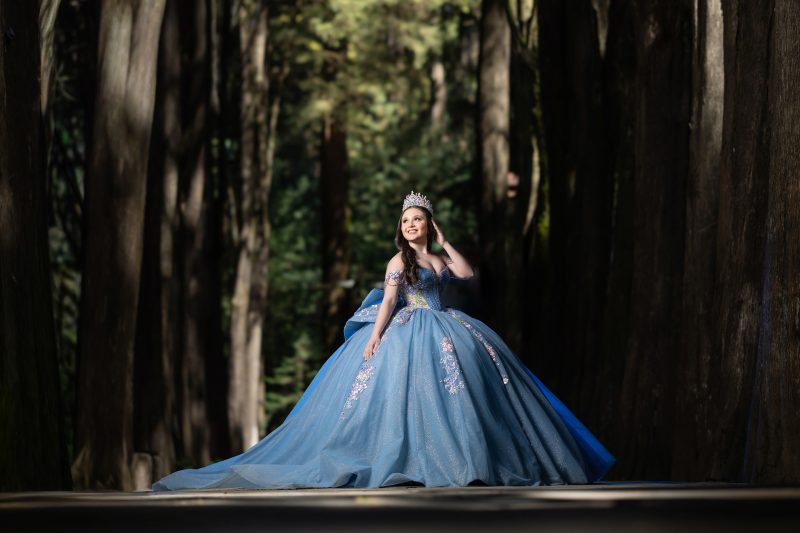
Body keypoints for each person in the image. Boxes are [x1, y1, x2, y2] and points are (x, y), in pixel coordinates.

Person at [152, 191, 614, 491]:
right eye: (407, 221)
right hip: (408, 328)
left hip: (446, 325)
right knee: (400, 397)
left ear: (429, 225)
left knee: (460, 392)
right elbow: (391, 301)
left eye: (419, 220)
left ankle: (468, 457)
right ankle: (410, 457)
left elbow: (468, 276)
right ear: (400, 228)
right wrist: (374, 339)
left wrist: (445, 240)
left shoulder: (436, 259)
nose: (412, 225)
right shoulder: (400, 262)